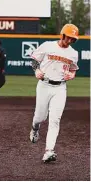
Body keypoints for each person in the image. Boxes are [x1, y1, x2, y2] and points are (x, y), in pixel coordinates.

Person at [29, 24, 79, 163]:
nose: (69, 41)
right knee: (40, 117)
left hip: (60, 88)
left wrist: (72, 75)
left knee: (55, 120)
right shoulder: (47, 45)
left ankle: (49, 151)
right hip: (44, 85)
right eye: (68, 38)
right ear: (62, 35)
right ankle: (35, 128)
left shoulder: (73, 53)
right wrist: (36, 71)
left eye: (73, 39)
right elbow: (34, 60)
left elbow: (74, 69)